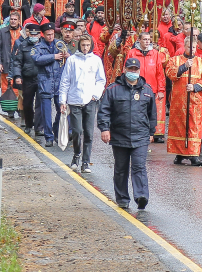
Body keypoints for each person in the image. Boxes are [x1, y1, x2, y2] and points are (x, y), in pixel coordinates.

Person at [97, 57, 156, 210]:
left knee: (139, 166)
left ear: (139, 71)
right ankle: (122, 198)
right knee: (121, 168)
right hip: (119, 135)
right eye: (130, 69)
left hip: (140, 136)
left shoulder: (147, 90)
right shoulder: (113, 89)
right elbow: (104, 111)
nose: (133, 72)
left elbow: (153, 114)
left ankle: (141, 196)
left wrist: (152, 132)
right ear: (124, 70)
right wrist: (105, 129)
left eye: (135, 70)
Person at [59, 34, 106, 174]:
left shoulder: (96, 60)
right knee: (77, 131)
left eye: (87, 45)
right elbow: (65, 81)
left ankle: (86, 161)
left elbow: (101, 80)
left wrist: (95, 95)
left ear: (91, 45)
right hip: (74, 101)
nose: (85, 48)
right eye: (83, 45)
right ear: (79, 45)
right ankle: (77, 154)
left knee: (89, 133)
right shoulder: (72, 60)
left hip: (90, 101)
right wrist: (63, 100)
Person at [165, 37, 202, 166]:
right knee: (179, 127)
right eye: (188, 47)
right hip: (179, 101)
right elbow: (170, 73)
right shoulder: (175, 60)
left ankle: (193, 154)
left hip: (195, 101)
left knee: (194, 126)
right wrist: (184, 67)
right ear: (184, 47)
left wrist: (195, 87)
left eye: (193, 47)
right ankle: (179, 154)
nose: (191, 49)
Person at [126, 31, 169, 143]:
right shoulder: (132, 53)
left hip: (152, 87)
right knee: (137, 111)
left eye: (149, 39)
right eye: (144, 39)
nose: (147, 41)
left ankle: (156, 133)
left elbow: (160, 73)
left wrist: (161, 89)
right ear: (139, 40)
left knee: (152, 111)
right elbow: (125, 70)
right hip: (136, 87)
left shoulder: (155, 53)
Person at [32, 21, 68, 147]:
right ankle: (48, 136)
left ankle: (56, 129)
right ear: (43, 34)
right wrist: (53, 56)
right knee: (46, 112)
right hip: (45, 81)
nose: (51, 37)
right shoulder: (38, 47)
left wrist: (67, 56)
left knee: (61, 110)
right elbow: (36, 59)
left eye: (52, 34)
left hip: (59, 82)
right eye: (48, 35)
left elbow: (68, 59)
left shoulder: (60, 44)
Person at [10, 23, 43, 136]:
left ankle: (39, 127)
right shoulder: (23, 46)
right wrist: (18, 76)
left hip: (41, 78)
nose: (34, 36)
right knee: (27, 103)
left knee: (40, 104)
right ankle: (29, 124)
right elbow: (17, 62)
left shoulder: (44, 45)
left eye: (36, 34)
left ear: (39, 34)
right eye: (31, 34)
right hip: (28, 79)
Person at [0, 11, 22, 118]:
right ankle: (10, 109)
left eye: (15, 19)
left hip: (19, 65)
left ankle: (19, 108)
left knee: (19, 88)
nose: (13, 21)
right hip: (6, 63)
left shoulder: (23, 32)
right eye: (11, 19)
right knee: (6, 87)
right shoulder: (2, 32)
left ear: (19, 20)